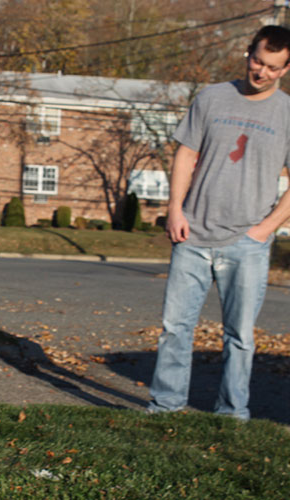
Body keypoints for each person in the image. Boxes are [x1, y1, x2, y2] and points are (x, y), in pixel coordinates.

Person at [148, 25, 290, 421]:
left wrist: (265, 229)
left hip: (248, 242)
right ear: (248, 54)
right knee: (175, 328)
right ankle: (165, 408)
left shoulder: (287, 114)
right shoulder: (211, 97)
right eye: (258, 61)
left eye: (273, 68)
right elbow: (185, 155)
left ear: (286, 69)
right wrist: (175, 208)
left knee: (240, 337)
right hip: (192, 234)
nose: (262, 72)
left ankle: (231, 414)